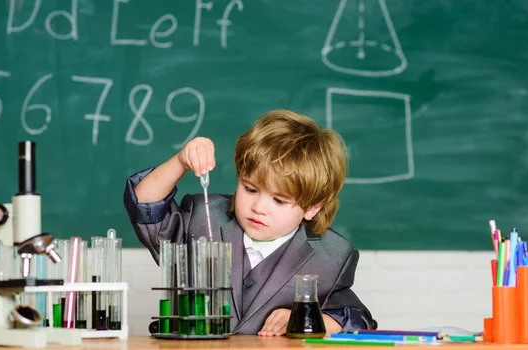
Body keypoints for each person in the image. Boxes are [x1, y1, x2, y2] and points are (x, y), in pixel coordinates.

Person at [124, 109, 377, 336]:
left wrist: (306, 319)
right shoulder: (201, 217)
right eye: (250, 189)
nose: (258, 207)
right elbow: (145, 205)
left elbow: (357, 318)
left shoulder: (332, 256)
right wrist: (180, 161)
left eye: (279, 200)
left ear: (312, 208)